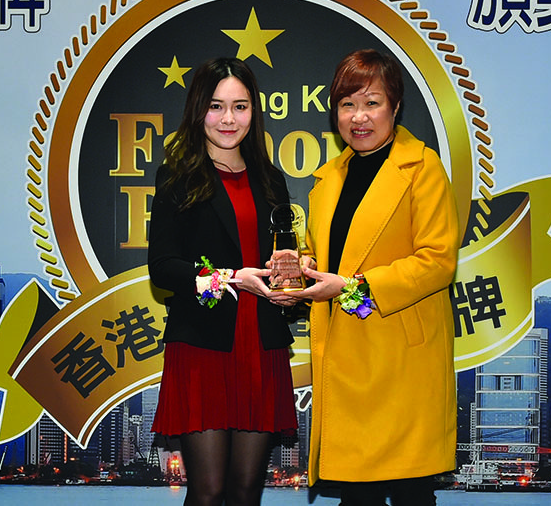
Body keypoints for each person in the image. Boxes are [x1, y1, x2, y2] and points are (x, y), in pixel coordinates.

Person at [289, 49, 460, 505]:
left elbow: (438, 261)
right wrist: (300, 272)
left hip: (402, 364)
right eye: (347, 104)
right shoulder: (328, 179)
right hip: (346, 360)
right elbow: (327, 256)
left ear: (395, 107)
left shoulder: (422, 167)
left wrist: (352, 289)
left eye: (372, 102)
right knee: (356, 498)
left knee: (411, 494)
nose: (358, 117)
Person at [147, 57, 297, 506]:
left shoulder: (271, 181)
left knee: (246, 492)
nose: (229, 119)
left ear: (254, 112)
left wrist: (291, 279)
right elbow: (163, 267)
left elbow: (279, 257)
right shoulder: (177, 176)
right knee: (208, 492)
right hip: (203, 349)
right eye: (216, 106)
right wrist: (231, 278)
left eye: (240, 106)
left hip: (261, 346)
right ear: (199, 110)